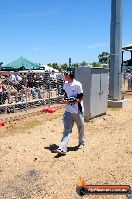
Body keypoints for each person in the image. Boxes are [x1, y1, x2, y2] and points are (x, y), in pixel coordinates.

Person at [55, 68, 85, 155]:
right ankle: (62, 148)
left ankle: (81, 142)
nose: (64, 76)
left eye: (66, 74)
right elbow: (65, 94)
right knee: (67, 130)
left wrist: (69, 101)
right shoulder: (65, 84)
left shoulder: (77, 84)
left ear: (70, 75)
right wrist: (64, 99)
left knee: (81, 127)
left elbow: (81, 98)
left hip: (77, 110)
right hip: (68, 111)